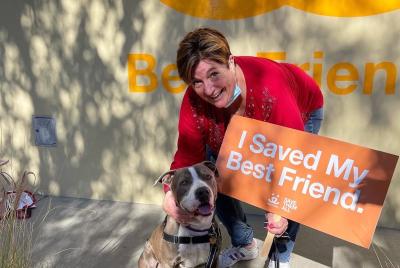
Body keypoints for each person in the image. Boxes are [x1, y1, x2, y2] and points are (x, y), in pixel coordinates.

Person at [162, 27, 324, 268]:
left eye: (214, 74)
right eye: (197, 81)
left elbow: (295, 163)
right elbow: (188, 156)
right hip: (232, 128)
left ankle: (281, 256)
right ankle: (245, 244)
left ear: (230, 62)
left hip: (301, 110)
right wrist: (169, 194)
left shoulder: (271, 86)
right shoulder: (195, 101)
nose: (208, 89)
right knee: (215, 176)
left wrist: (280, 207)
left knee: (289, 196)